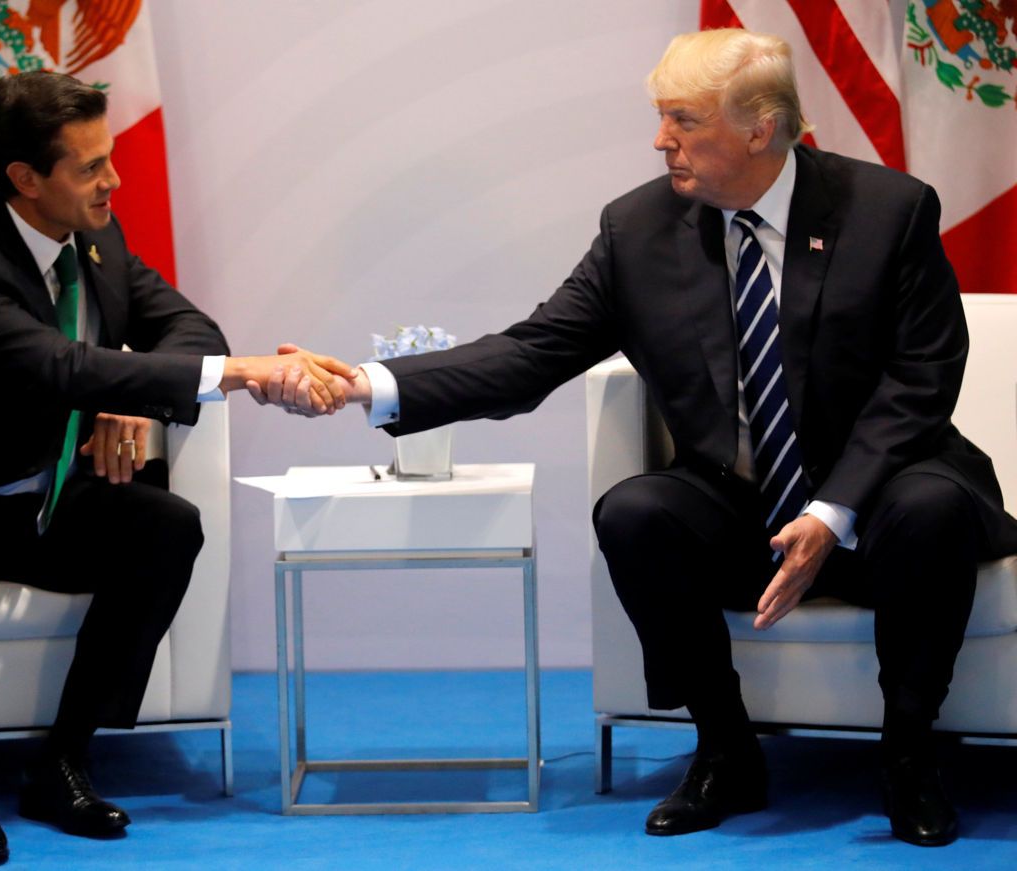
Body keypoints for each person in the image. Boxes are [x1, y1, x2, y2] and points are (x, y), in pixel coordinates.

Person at [255, 29, 1017, 847]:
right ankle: (726, 749)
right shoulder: (638, 229)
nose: (661, 140)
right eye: (661, 118)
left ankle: (910, 754)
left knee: (931, 504)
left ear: (760, 127)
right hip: (745, 503)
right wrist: (369, 382)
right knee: (636, 511)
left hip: (880, 494)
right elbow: (531, 352)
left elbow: (922, 378)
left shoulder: (887, 210)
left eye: (682, 120)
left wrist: (831, 512)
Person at [0, 70, 351, 866]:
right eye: (91, 166)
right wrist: (243, 373)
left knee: (166, 524)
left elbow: (190, 326)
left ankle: (63, 758)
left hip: (27, 511)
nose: (115, 179)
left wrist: (136, 403)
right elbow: (60, 366)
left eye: (110, 158)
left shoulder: (96, 243)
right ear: (25, 179)